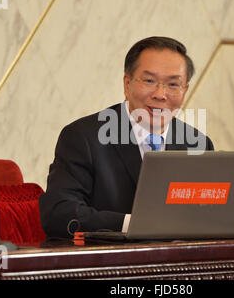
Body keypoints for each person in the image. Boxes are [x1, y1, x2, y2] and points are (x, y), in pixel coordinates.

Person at [39, 36, 214, 238]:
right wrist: (133, 224)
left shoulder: (197, 143)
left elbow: (209, 215)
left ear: (185, 90)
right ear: (127, 83)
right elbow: (59, 215)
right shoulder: (83, 138)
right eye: (149, 81)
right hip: (111, 265)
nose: (160, 94)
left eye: (173, 84)